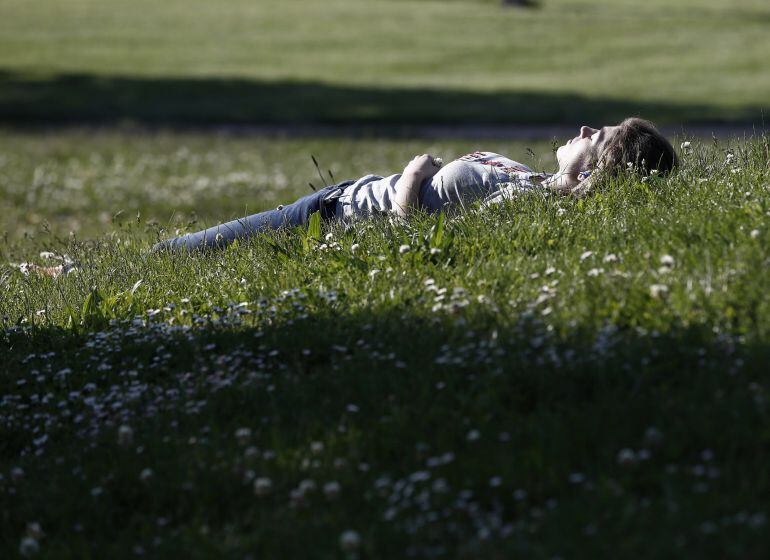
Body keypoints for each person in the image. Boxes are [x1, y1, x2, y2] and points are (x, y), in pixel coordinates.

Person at [153, 117, 677, 252]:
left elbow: (414, 234)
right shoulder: (540, 190)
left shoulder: (533, 202)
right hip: (340, 200)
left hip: (336, 215)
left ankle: (79, 272)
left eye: (598, 136)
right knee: (206, 246)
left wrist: (410, 177)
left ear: (595, 169)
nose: (585, 130)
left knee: (188, 250)